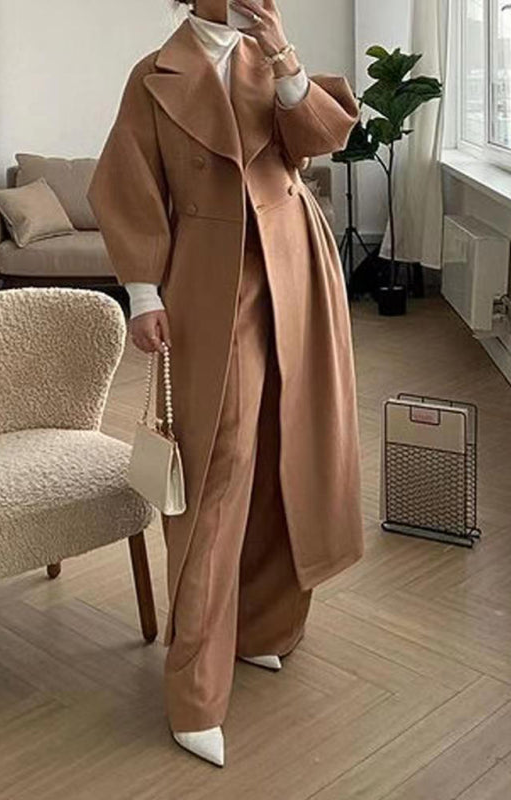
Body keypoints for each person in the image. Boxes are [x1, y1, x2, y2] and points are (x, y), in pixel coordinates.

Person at [87, 0, 364, 768]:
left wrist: (282, 55)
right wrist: (142, 294)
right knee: (220, 463)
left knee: (289, 447)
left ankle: (264, 626)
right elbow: (127, 185)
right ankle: (196, 688)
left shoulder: (267, 58)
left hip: (297, 268)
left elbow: (323, 139)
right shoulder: (154, 76)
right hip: (212, 282)